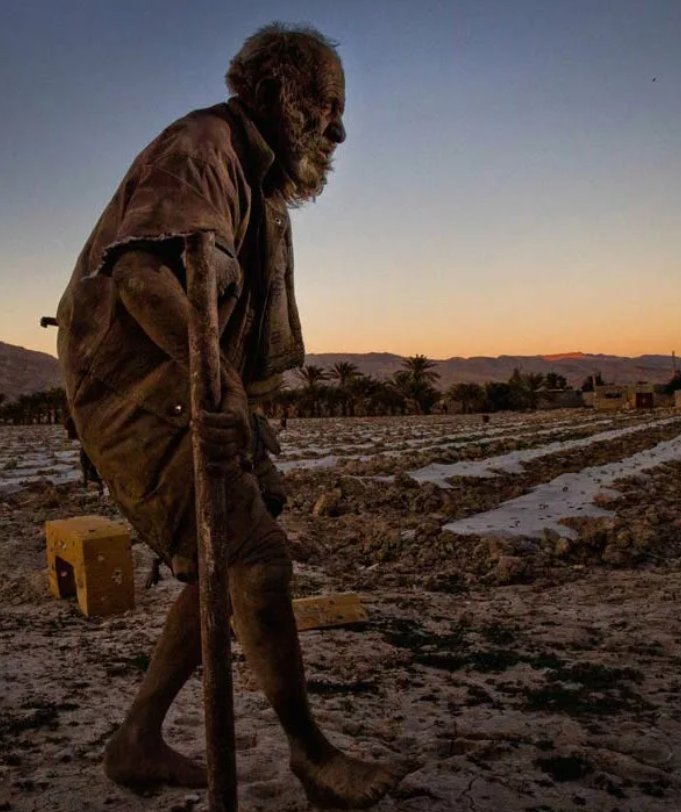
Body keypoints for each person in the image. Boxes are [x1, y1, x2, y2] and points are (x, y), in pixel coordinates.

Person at [57, 23, 409, 808]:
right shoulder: (203, 147)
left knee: (230, 552)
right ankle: (310, 753)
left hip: (187, 386)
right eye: (327, 106)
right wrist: (209, 385)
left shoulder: (258, 181)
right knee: (253, 556)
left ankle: (137, 740)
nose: (339, 129)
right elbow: (144, 275)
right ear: (283, 94)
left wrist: (228, 397)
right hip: (138, 396)